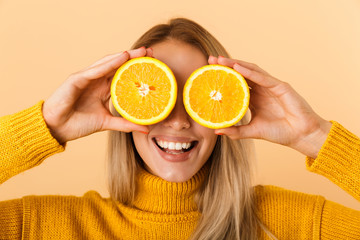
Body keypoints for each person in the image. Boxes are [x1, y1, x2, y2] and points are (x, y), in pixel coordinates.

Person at [0, 17, 359, 240]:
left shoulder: (295, 223)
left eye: (200, 96)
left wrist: (314, 138)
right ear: (126, 106)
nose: (178, 119)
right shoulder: (43, 225)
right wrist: (46, 126)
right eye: (158, 95)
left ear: (229, 107)